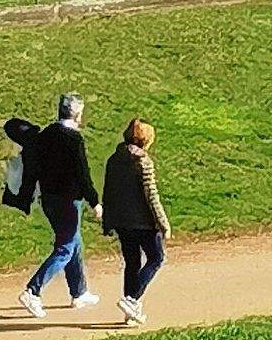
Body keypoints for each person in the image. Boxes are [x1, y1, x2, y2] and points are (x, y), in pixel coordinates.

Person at [13, 94, 101, 318]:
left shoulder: (46, 135)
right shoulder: (74, 140)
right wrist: (95, 202)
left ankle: (79, 292)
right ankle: (33, 291)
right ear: (78, 114)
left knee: (74, 241)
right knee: (66, 247)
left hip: (49, 199)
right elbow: (83, 175)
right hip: (68, 201)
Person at [102, 116, 172, 326]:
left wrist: (108, 221)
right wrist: (163, 224)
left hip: (122, 222)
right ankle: (131, 300)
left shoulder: (114, 160)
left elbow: (108, 192)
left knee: (132, 263)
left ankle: (130, 311)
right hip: (144, 223)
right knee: (156, 258)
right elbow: (152, 196)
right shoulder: (143, 161)